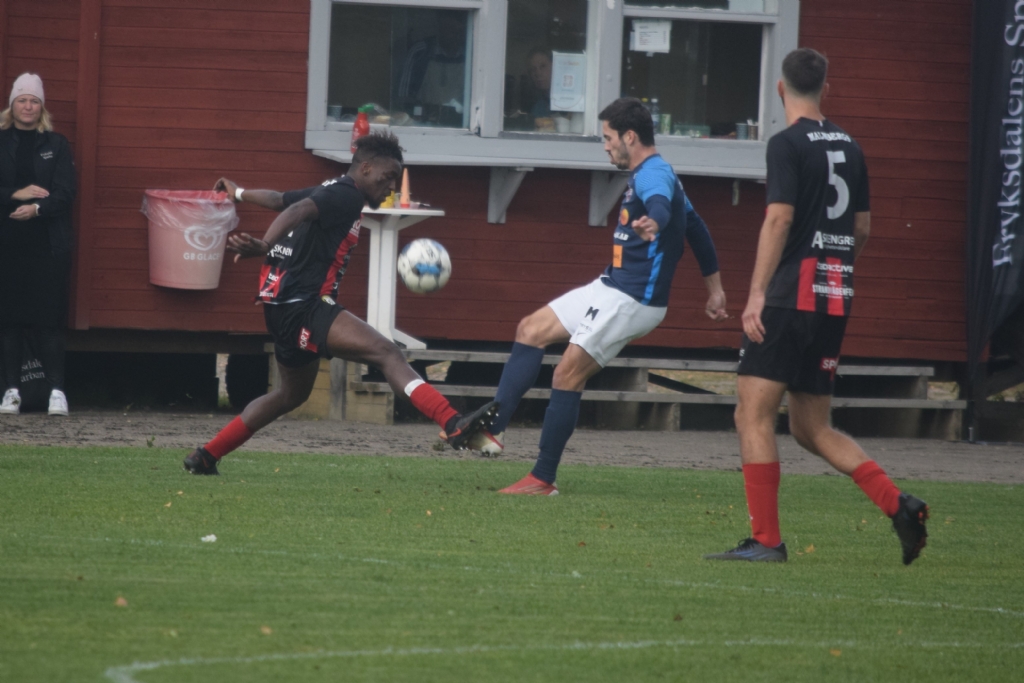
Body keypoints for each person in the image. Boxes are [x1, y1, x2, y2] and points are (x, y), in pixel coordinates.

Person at [704, 49, 929, 565]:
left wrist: (757, 293)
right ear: (826, 90)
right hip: (833, 296)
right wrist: (835, 269)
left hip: (788, 298)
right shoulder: (851, 145)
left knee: (752, 415)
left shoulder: (786, 143)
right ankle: (898, 504)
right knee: (811, 427)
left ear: (780, 89)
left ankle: (766, 541)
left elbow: (779, 219)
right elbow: (862, 228)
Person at [182, 131, 497, 475]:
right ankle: (452, 422)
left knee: (290, 395)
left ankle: (206, 455)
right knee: (387, 352)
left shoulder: (332, 188)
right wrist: (265, 245)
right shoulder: (346, 195)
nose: (392, 186)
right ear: (366, 168)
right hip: (304, 305)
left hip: (280, 308)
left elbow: (280, 199)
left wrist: (239, 193)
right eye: (388, 176)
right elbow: (297, 209)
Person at [473, 97, 728, 495]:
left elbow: (660, 206)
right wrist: (716, 290)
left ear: (630, 137)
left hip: (633, 299)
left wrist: (654, 222)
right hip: (610, 286)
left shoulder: (653, 174)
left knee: (567, 373)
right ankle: (490, 430)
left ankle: (542, 479)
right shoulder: (658, 173)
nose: (605, 146)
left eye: (608, 138)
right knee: (531, 329)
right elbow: (697, 229)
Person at [0, 73, 76, 417]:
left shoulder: (56, 144)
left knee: (49, 319)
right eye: (22, 100)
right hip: (7, 246)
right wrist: (15, 195)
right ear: (12, 105)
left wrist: (37, 209)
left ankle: (57, 392)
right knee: (9, 320)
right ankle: (11, 392)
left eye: (34, 101)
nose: (28, 106)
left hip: (48, 246)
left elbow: (66, 192)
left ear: (41, 107)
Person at [396, 10, 468, 127]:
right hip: (424, 122)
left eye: (458, 31)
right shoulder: (421, 51)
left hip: (459, 123)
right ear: (440, 29)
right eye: (449, 29)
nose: (453, 35)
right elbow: (403, 95)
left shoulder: (470, 54)